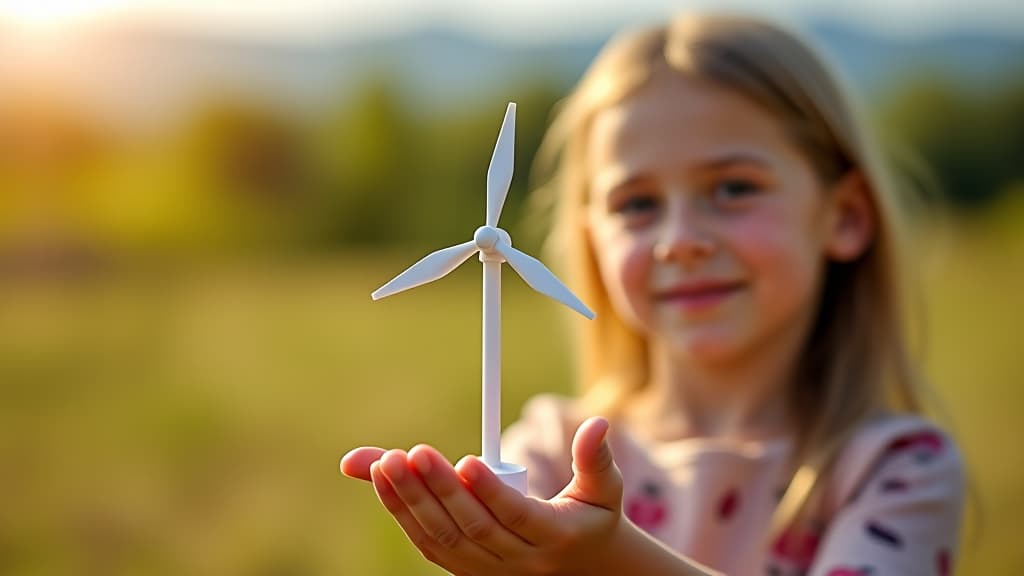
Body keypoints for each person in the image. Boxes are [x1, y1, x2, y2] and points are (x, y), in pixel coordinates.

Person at [341, 12, 964, 576]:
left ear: (846, 215)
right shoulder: (549, 453)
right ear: (593, 242)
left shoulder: (895, 472)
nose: (681, 241)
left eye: (733, 188)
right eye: (637, 204)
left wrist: (609, 559)